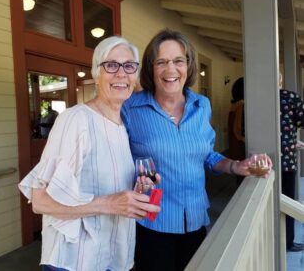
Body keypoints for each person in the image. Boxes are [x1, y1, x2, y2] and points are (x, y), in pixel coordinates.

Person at [121, 29, 272, 270]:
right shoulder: (131, 108)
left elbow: (208, 155)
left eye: (178, 61)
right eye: (161, 62)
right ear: (151, 68)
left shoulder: (202, 105)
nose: (171, 69)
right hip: (151, 224)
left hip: (195, 220)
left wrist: (236, 166)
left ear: (188, 66)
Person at [18, 36, 160, 271]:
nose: (121, 74)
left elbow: (108, 185)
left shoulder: (122, 124)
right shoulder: (75, 119)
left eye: (129, 66)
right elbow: (40, 200)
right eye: (111, 65)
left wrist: (137, 191)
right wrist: (110, 204)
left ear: (135, 76)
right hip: (76, 259)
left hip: (114, 253)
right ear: (96, 73)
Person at [279, 73, 304, 252]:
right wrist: (289, 141)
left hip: (262, 162)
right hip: (286, 161)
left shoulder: (255, 99)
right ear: (281, 81)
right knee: (287, 201)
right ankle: (287, 242)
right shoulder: (291, 97)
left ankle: (272, 239)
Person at [228, 77, 245, 185]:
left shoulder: (236, 104)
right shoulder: (241, 104)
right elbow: (238, 128)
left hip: (235, 144)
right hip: (240, 145)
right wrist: (243, 139)